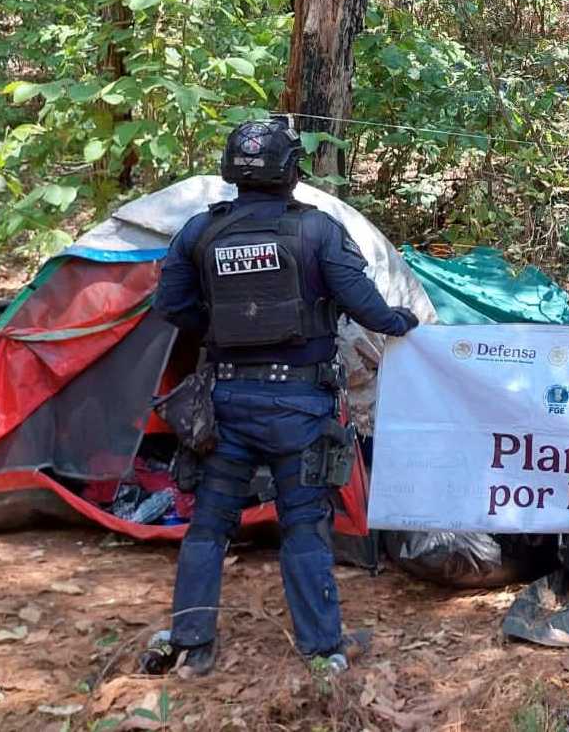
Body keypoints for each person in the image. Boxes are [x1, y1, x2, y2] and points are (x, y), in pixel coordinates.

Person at [143, 116, 419, 677]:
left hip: (224, 404)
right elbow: (365, 306)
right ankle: (321, 650)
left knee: (209, 526)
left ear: (231, 170)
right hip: (299, 408)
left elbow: (169, 305)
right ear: (291, 171)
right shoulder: (316, 230)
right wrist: (401, 321)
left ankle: (194, 645)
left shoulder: (199, 232)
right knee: (304, 525)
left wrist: (219, 329)